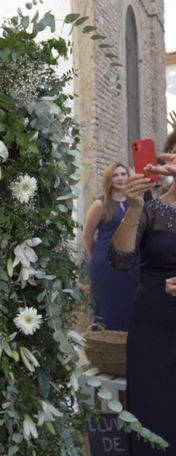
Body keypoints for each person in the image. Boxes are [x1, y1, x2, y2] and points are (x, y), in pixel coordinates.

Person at [109, 144, 176, 454]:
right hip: (153, 326)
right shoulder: (154, 209)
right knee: (153, 413)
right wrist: (135, 206)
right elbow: (121, 260)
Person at [83, 162, 138, 330]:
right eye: (115, 175)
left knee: (132, 304)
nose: (120, 178)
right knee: (107, 307)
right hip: (105, 264)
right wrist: (97, 259)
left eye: (123, 174)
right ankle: (104, 349)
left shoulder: (135, 203)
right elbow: (87, 235)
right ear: (109, 178)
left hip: (132, 263)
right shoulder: (100, 204)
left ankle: (128, 347)